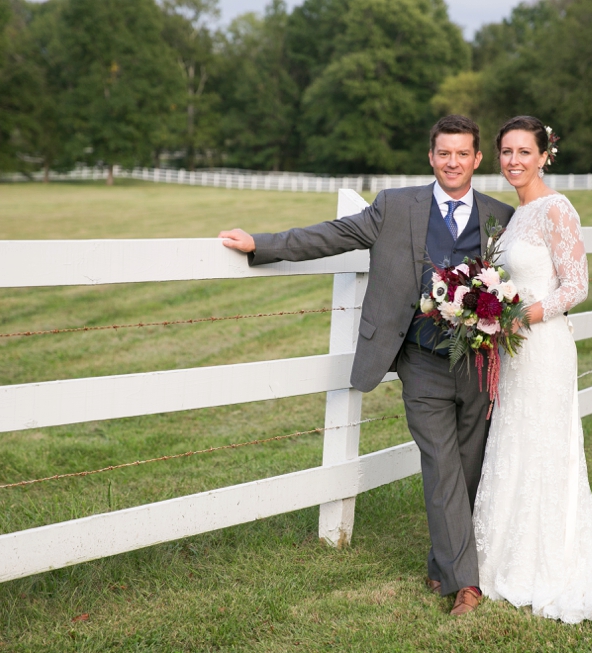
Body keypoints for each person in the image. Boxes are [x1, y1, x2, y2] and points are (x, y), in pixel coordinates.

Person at [219, 115, 515, 616]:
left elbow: (526, 274)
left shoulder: (500, 216)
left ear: (477, 159)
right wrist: (261, 244)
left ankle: (443, 562)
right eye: (444, 153)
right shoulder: (396, 206)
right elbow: (332, 235)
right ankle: (464, 584)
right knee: (441, 464)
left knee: (468, 467)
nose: (453, 162)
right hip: (420, 360)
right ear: (431, 156)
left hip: (478, 362)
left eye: (462, 153)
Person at [472, 115, 592, 623]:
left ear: (544, 155)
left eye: (523, 152)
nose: (513, 161)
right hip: (514, 352)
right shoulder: (517, 215)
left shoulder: (556, 209)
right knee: (515, 442)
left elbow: (575, 287)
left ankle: (553, 563)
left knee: (545, 446)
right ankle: (507, 557)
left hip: (544, 346)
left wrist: (516, 317)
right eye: (506, 152)